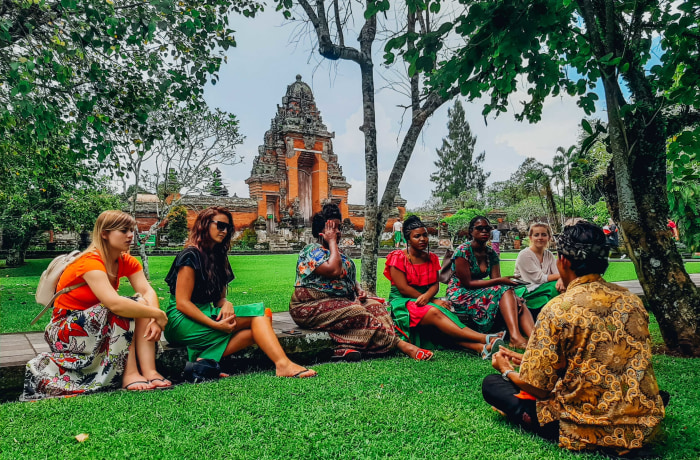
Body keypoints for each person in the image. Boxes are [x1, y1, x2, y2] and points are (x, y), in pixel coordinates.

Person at [483, 221, 665, 455]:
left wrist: (506, 369)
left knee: (492, 384)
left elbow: (539, 389)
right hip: (642, 425)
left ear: (563, 261)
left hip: (585, 425)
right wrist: (525, 358)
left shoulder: (558, 308)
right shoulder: (632, 301)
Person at [22, 211, 171, 400]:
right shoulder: (90, 262)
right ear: (104, 234)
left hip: (97, 325)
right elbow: (114, 304)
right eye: (123, 231)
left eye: (131, 230)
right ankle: (130, 374)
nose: (130, 235)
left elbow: (147, 291)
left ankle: (150, 371)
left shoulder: (125, 261)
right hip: (64, 330)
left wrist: (155, 318)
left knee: (139, 304)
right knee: (126, 306)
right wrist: (158, 314)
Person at [164, 206, 316, 379]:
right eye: (220, 225)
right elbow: (182, 303)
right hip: (181, 320)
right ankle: (283, 364)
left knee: (259, 328)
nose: (224, 231)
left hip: (205, 313)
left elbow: (219, 299)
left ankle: (204, 361)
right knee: (259, 316)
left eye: (228, 227)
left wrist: (226, 303)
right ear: (204, 225)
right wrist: (215, 325)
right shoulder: (190, 255)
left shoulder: (220, 257)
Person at [290, 203, 433, 361]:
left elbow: (348, 276)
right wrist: (331, 242)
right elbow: (334, 271)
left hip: (341, 303)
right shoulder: (311, 251)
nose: (338, 232)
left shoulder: (338, 254)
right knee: (356, 312)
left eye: (339, 228)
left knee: (376, 307)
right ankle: (402, 345)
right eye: (332, 228)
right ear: (321, 231)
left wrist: (358, 289)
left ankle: (345, 348)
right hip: (308, 307)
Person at [384, 216, 505, 357]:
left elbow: (435, 285)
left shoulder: (431, 258)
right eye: (417, 236)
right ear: (408, 240)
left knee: (441, 323)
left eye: (425, 235)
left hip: (424, 299)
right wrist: (431, 299)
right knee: (435, 311)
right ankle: (485, 338)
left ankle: (481, 348)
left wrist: (429, 297)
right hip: (402, 302)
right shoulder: (397, 257)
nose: (422, 239)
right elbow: (403, 288)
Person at [446, 216, 534, 349]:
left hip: (479, 290)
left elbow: (497, 282)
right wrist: (501, 281)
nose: (484, 231)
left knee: (518, 300)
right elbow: (467, 283)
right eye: (479, 228)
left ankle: (534, 338)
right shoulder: (463, 251)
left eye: (487, 228)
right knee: (505, 289)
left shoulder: (491, 253)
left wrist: (514, 296)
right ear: (471, 231)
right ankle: (515, 337)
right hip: (460, 292)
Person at [513, 222, 564, 320]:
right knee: (554, 287)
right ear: (531, 237)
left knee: (561, 285)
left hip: (542, 287)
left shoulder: (548, 254)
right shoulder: (524, 255)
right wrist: (561, 277)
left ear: (549, 237)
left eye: (544, 235)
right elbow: (539, 279)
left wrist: (561, 278)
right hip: (526, 289)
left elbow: (556, 273)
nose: (540, 238)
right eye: (536, 235)